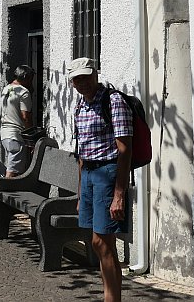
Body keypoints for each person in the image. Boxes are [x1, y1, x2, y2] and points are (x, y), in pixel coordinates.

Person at [68, 56, 131, 302]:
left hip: (107, 174)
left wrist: (119, 194)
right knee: (98, 244)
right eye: (77, 79)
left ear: (96, 74)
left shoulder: (113, 101)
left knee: (103, 243)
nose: (82, 83)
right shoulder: (79, 107)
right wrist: (81, 191)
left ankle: (112, 299)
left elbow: (125, 149)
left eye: (86, 77)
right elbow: (82, 152)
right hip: (90, 176)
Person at [0, 65, 34, 177]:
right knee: (12, 173)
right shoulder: (23, 92)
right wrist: (31, 136)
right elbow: (25, 117)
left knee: (10, 167)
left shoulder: (7, 88)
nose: (31, 82)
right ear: (25, 77)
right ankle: (3, 193)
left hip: (4, 135)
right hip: (15, 136)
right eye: (30, 79)